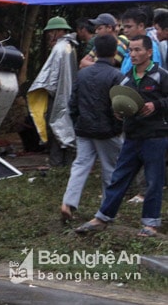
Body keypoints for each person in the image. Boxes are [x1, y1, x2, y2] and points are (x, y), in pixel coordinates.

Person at [75, 35, 168, 238]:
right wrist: (118, 113)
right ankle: (103, 217)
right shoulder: (125, 77)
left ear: (149, 52)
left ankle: (150, 224)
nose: (133, 54)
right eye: (130, 51)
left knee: (153, 180)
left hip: (155, 136)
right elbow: (120, 102)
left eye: (137, 50)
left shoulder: (161, 75)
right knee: (118, 177)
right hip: (132, 135)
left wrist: (157, 105)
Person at [60, 34, 124, 220]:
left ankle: (68, 202)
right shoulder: (116, 76)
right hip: (107, 131)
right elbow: (118, 107)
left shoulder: (83, 74)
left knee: (80, 165)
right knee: (110, 169)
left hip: (84, 128)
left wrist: (77, 122)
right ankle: (106, 210)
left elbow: (73, 103)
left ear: (94, 51)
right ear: (114, 52)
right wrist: (117, 128)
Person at [27, 16, 78, 167]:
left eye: (51, 32)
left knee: (56, 129)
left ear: (58, 31)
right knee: (66, 129)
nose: (49, 35)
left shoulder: (59, 48)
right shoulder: (71, 47)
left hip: (57, 98)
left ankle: (57, 167)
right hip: (68, 96)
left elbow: (51, 77)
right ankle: (67, 167)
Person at [119, 8, 163, 74]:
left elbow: (154, 75)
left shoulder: (151, 46)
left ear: (141, 26)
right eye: (124, 27)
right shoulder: (130, 44)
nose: (125, 31)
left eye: (129, 27)